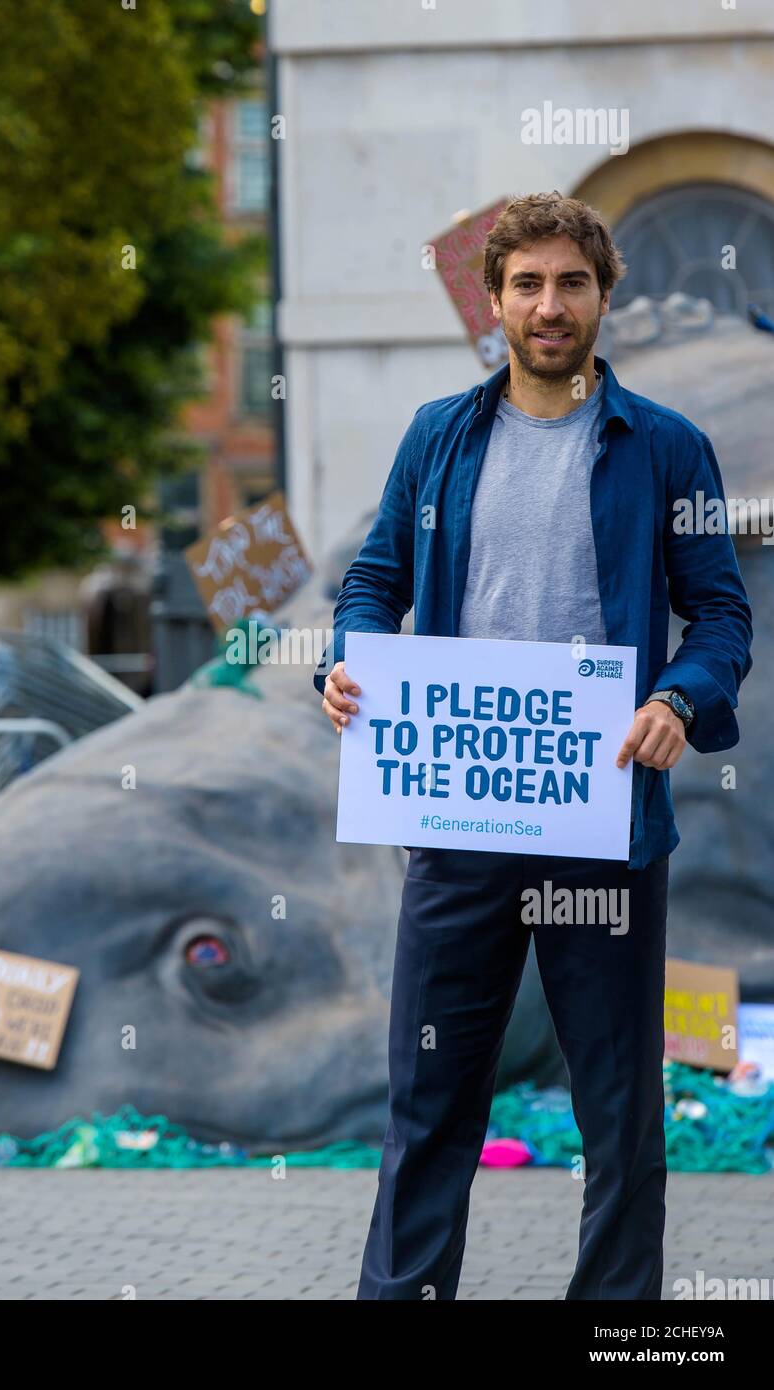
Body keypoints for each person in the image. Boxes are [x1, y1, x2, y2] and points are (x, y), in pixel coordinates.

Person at [313, 192, 753, 1300]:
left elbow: (722, 613)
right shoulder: (437, 437)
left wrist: (678, 699)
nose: (548, 305)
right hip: (457, 816)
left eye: (569, 283)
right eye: (525, 284)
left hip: (602, 819)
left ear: (603, 295)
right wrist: (351, 659)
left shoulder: (664, 448)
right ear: (495, 299)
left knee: (617, 1110)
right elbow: (372, 582)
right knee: (428, 1098)